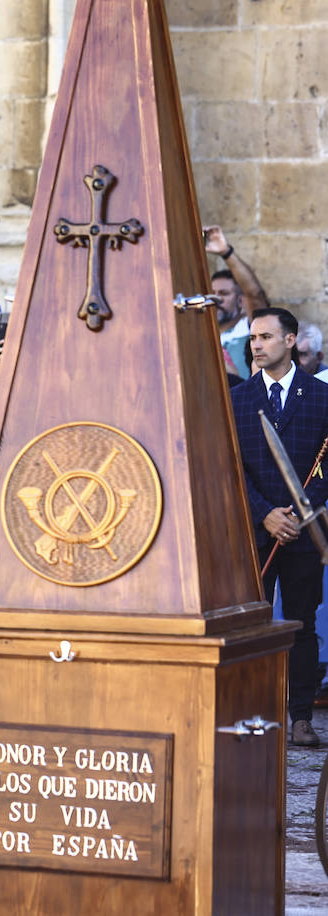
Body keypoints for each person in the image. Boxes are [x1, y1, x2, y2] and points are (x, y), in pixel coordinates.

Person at [231, 307, 328, 748]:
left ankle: (301, 717)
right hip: (255, 532)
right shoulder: (237, 399)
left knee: (303, 624)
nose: (257, 344)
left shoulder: (322, 397)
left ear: (290, 341)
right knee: (250, 624)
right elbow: (229, 467)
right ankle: (251, 713)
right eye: (254, 337)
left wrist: (303, 511)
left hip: (304, 532)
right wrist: (264, 513)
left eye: (266, 337)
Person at [204, 225, 268, 379]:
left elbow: (255, 293)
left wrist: (226, 252)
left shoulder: (250, 327)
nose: (216, 298)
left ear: (240, 301)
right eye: (212, 293)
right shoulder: (202, 332)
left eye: (224, 294)